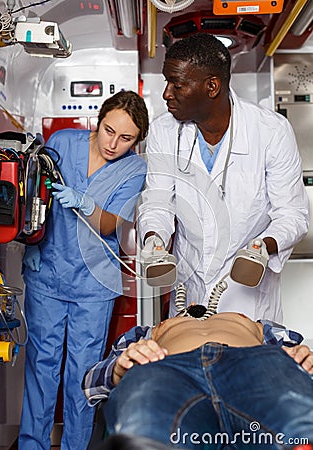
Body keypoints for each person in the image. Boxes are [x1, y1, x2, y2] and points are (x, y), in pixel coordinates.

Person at [137, 32, 309, 321]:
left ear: (212, 87)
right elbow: (158, 200)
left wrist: (262, 246)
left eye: (177, 84)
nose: (167, 93)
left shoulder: (270, 131)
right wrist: (154, 239)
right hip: (190, 285)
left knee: (249, 361)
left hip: (247, 291)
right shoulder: (164, 131)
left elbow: (292, 214)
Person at [19, 90, 149, 450]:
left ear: (137, 140)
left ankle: (76, 446)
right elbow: (31, 193)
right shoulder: (62, 142)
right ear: (99, 120)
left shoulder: (135, 168)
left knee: (83, 374)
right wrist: (29, 243)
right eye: (109, 131)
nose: (114, 143)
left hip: (93, 285)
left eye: (126, 138)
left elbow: (109, 224)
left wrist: (85, 202)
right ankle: (33, 445)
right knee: (41, 368)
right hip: (47, 272)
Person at [83, 306, 313, 449]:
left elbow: (299, 355)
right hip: (166, 367)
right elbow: (90, 384)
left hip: (251, 360)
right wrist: (117, 370)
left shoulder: (260, 325)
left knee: (295, 415)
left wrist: (304, 358)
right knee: (145, 424)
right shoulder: (145, 332)